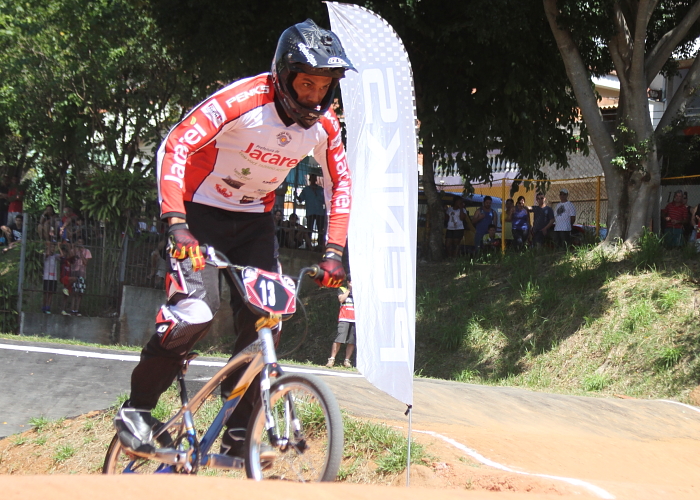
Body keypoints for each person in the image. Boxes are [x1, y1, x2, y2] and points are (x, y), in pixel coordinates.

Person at [114, 19, 354, 460]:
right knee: (194, 312)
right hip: (198, 216)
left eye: (323, 86)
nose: (314, 96)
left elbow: (341, 183)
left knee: (269, 319)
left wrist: (335, 250)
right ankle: (137, 412)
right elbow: (176, 145)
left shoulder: (326, 126)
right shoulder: (243, 100)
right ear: (283, 75)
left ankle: (240, 432)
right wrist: (175, 221)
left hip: (254, 224)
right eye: (306, 84)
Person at [325, 276, 355, 368]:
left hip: (355, 320)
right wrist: (349, 289)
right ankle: (332, 359)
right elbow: (341, 299)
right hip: (344, 318)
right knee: (339, 339)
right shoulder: (342, 289)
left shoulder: (359, 292)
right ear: (348, 282)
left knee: (352, 341)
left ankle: (347, 361)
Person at [296, 173, 326, 248]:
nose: (312, 180)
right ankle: (308, 245)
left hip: (319, 212)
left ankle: (320, 245)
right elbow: (300, 200)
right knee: (310, 229)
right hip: (311, 212)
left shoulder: (321, 189)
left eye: (314, 178)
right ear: (310, 180)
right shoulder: (306, 190)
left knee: (320, 230)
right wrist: (296, 196)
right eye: (311, 178)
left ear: (315, 180)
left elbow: (324, 200)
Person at [68, 237, 91, 316]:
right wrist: (74, 250)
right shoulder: (73, 251)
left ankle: (77, 309)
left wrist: (81, 253)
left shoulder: (86, 251)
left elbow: (85, 263)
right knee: (74, 292)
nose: (79, 244)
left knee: (80, 293)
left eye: (81, 242)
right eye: (78, 242)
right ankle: (72, 309)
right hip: (74, 273)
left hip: (81, 273)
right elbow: (70, 260)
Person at [42, 242, 60, 314]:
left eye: (53, 247)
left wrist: (58, 247)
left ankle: (48, 307)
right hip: (46, 277)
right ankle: (44, 306)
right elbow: (47, 254)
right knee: (45, 293)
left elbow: (62, 255)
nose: (52, 249)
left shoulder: (55, 256)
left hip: (53, 278)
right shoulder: (45, 255)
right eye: (51, 247)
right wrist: (49, 247)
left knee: (51, 293)